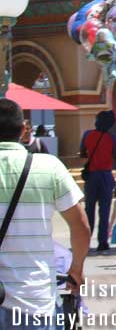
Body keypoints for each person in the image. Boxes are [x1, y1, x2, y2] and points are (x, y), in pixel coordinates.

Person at [0, 97, 90, 328]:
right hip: (34, 300)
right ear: (22, 130)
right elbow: (80, 225)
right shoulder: (49, 167)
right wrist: (76, 268)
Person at [79, 109, 116, 252]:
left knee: (89, 209)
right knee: (104, 210)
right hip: (105, 174)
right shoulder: (112, 137)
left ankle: (85, 240)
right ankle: (102, 241)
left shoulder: (87, 134)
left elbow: (82, 152)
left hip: (91, 175)